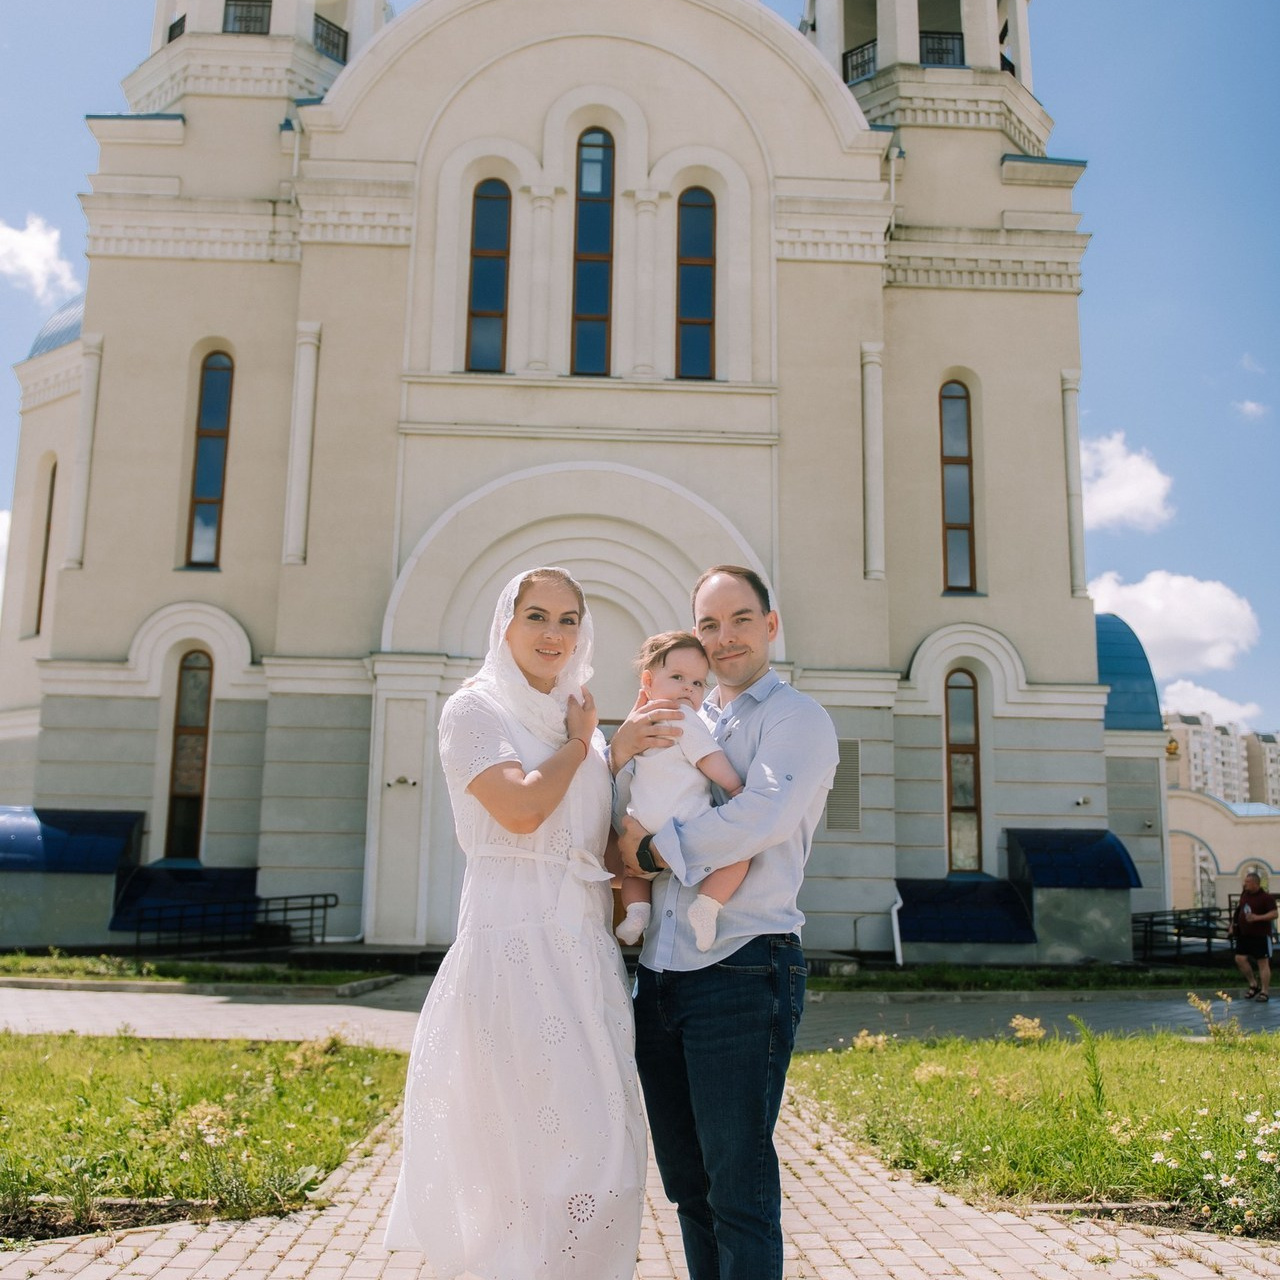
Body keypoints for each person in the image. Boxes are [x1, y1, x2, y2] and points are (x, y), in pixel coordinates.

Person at [384, 566, 646, 1280]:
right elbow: (522, 810)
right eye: (536, 616)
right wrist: (583, 742)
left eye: (568, 619)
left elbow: (592, 842)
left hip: (582, 949)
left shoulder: (581, 724)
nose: (553, 634)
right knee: (519, 1153)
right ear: (505, 624)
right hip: (512, 945)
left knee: (603, 1152)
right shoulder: (475, 711)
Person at [611, 565, 839, 1280]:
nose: (724, 637)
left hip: (743, 968)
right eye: (709, 624)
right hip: (661, 976)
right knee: (687, 1188)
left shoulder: (795, 719)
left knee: (737, 1190)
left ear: (770, 626)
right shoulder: (686, 713)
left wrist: (651, 852)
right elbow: (626, 793)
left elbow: (760, 816)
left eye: (741, 619)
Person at [615, 630, 748, 952]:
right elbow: (708, 757)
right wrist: (734, 785)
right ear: (648, 680)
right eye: (677, 677)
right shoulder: (684, 716)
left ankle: (636, 913)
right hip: (686, 817)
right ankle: (707, 905)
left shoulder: (637, 722)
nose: (688, 688)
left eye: (698, 683)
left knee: (634, 873)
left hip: (642, 822)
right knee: (738, 855)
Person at [1229, 870, 1278, 1002]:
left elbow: (1274, 914)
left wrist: (1258, 917)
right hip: (1245, 934)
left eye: (1248, 882)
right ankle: (1253, 983)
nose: (1245, 884)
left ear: (1256, 883)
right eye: (1245, 882)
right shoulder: (1245, 894)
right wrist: (1233, 925)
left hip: (1261, 935)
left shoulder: (1266, 898)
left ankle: (1265, 991)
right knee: (1239, 958)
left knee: (1262, 962)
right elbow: (1239, 910)